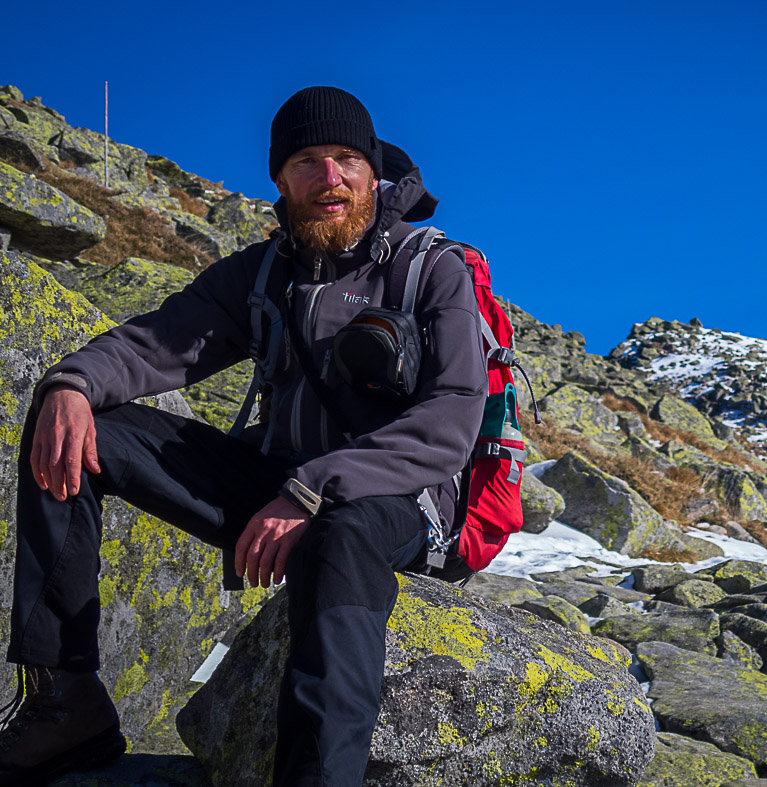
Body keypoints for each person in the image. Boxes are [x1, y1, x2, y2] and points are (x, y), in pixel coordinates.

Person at [0, 86, 486, 786]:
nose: (330, 178)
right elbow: (154, 345)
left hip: (392, 498)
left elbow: (449, 425)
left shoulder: (431, 268)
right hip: (276, 480)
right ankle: (65, 700)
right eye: (308, 161)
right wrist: (69, 385)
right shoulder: (260, 274)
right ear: (280, 179)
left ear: (374, 172)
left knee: (341, 535)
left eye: (348, 159)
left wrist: (312, 488)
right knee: (80, 429)